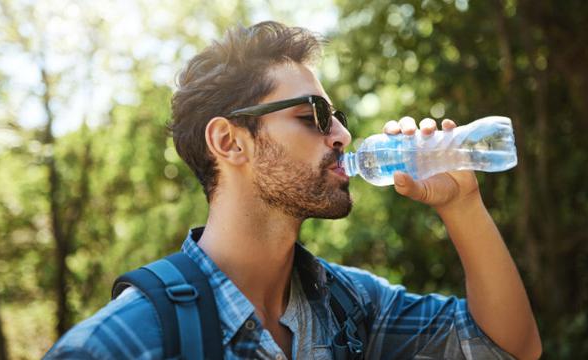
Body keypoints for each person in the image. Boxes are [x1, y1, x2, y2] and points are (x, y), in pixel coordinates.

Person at [44, 21, 542, 359]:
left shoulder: (352, 306)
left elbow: (507, 348)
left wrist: (462, 204)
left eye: (338, 119)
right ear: (229, 142)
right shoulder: (121, 343)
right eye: (313, 117)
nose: (343, 136)